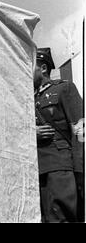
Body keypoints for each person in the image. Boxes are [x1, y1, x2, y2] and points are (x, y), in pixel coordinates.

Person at [34, 47, 84, 223]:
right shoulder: (27, 99)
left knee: (61, 218)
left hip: (61, 167)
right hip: (36, 170)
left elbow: (80, 129)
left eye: (30, 64)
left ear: (43, 68)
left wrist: (80, 169)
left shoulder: (64, 88)